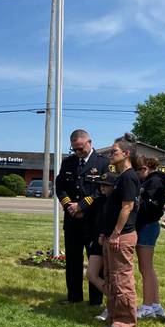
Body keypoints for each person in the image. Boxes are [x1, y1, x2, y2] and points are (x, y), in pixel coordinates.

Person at [55, 129, 110, 304]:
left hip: (93, 220)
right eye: (75, 149)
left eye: (80, 148)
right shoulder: (68, 162)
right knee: (72, 259)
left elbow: (101, 191)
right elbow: (60, 186)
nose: (78, 152)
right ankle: (74, 297)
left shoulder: (102, 163)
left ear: (89, 143)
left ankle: (95, 300)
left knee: (94, 259)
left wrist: (82, 206)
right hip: (72, 219)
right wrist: (68, 205)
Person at [102, 133, 140, 327]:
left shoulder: (129, 177)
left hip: (122, 236)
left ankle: (125, 323)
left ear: (126, 154)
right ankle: (114, 316)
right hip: (112, 235)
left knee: (121, 279)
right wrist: (106, 233)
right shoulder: (120, 177)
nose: (110, 154)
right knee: (111, 278)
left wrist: (116, 233)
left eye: (114, 151)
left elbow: (127, 207)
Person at [134, 156, 165, 319]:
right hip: (148, 226)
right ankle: (156, 305)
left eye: (137, 170)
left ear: (145, 168)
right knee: (146, 267)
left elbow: (150, 207)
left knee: (146, 267)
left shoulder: (154, 182)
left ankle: (147, 306)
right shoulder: (154, 180)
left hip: (147, 226)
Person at [85, 171, 117, 322]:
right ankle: (115, 300)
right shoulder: (98, 201)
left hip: (109, 241)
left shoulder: (117, 202)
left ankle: (111, 306)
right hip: (97, 242)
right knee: (91, 274)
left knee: (110, 276)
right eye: (101, 185)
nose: (103, 188)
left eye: (107, 185)